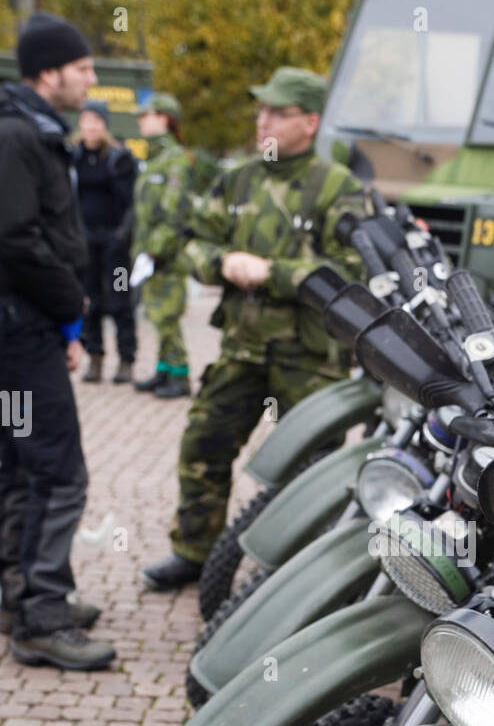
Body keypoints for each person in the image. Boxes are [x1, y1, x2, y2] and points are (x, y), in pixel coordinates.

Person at [141, 66, 369, 590]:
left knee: (310, 473)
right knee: (203, 446)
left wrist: (274, 274)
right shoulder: (239, 178)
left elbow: (352, 271)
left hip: (310, 360)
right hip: (241, 349)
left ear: (309, 121)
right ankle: (194, 552)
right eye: (260, 109)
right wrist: (221, 263)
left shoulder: (338, 188)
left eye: (276, 111)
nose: (262, 119)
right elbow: (193, 242)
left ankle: (299, 575)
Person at [0, 12, 116, 669]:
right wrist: (68, 303)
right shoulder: (20, 136)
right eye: (82, 70)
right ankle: (42, 616)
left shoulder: (28, 131)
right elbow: (16, 238)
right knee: (56, 471)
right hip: (22, 336)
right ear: (49, 73)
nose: (91, 81)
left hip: (24, 330)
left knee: (18, 465)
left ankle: (19, 595)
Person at [131, 92, 193, 398]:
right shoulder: (153, 159)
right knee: (157, 315)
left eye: (147, 115)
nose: (141, 120)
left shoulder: (175, 159)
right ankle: (164, 370)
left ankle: (180, 376)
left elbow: (174, 211)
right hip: (150, 253)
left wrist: (155, 250)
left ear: (164, 119)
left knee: (167, 316)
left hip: (166, 255)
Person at [72, 99, 137, 383]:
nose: (91, 127)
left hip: (116, 245)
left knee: (120, 302)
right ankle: (95, 356)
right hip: (86, 243)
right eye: (86, 121)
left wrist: (121, 235)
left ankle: (126, 358)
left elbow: (134, 201)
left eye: (96, 121)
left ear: (105, 125)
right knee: (91, 302)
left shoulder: (120, 158)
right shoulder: (72, 156)